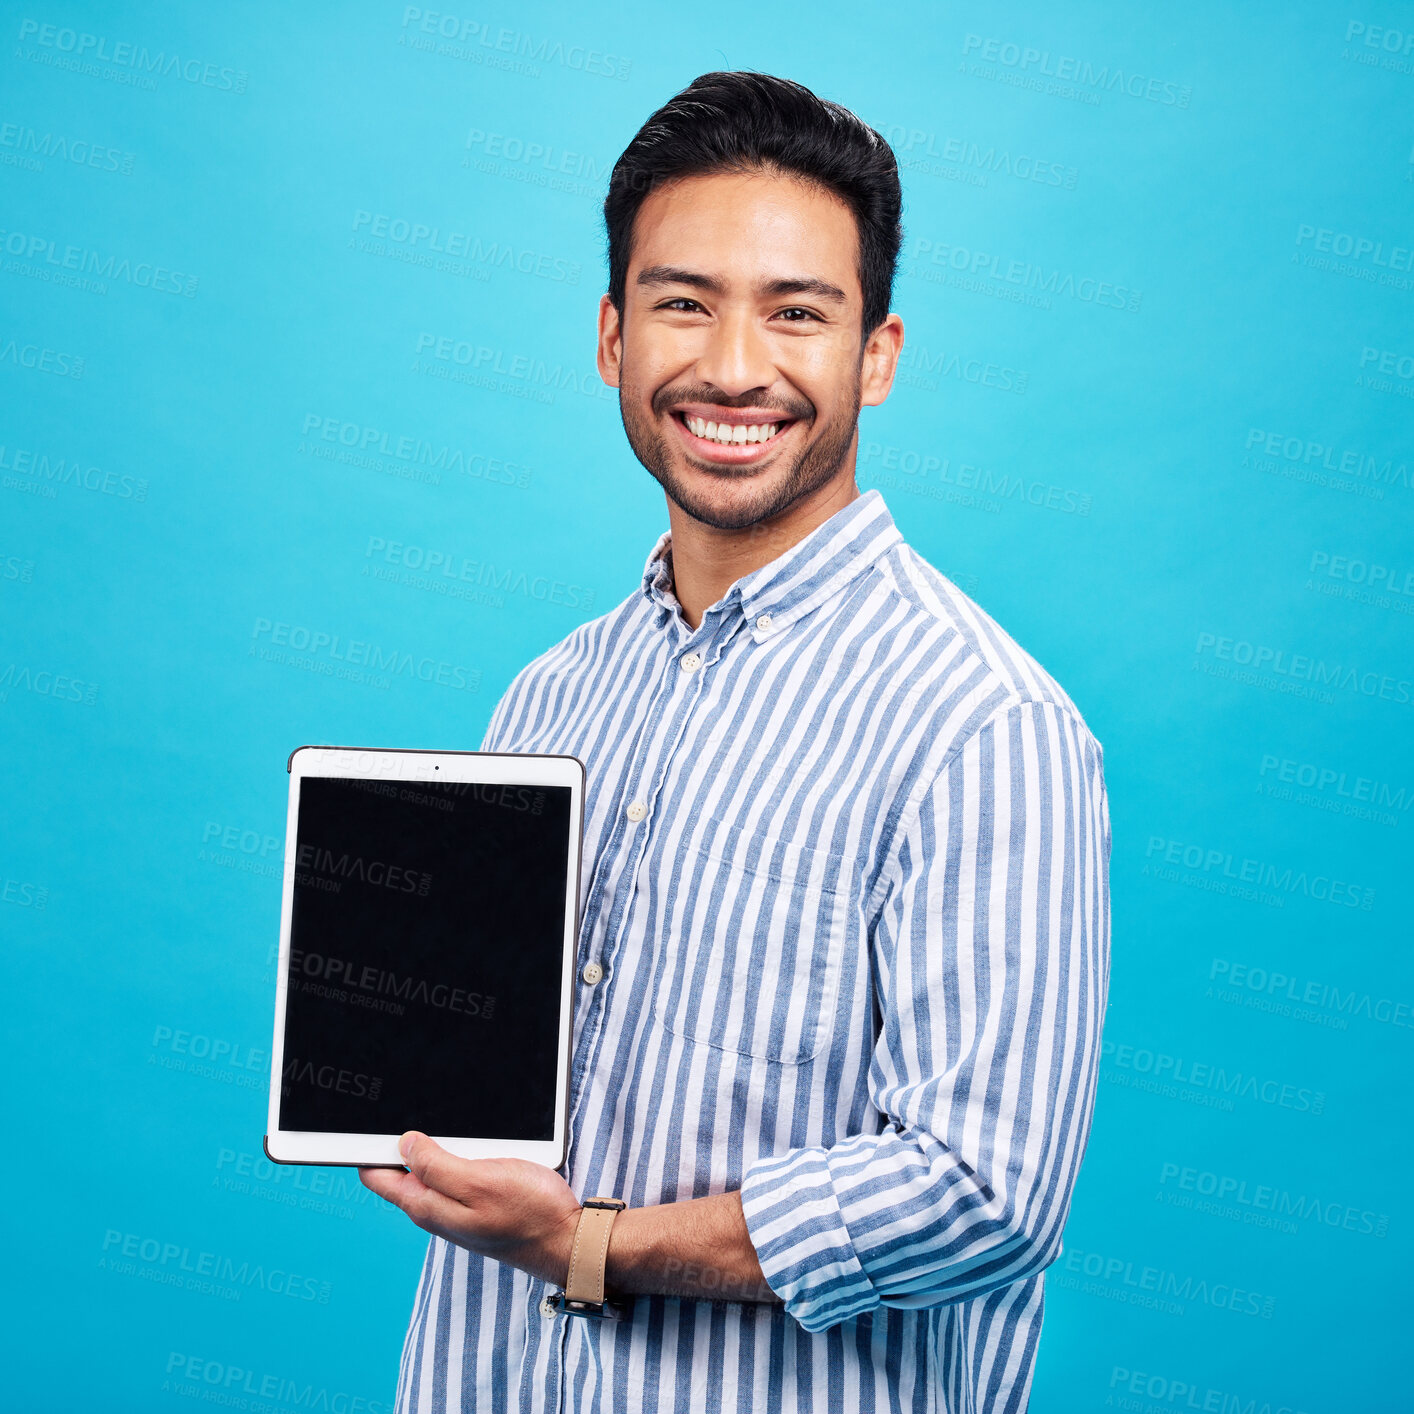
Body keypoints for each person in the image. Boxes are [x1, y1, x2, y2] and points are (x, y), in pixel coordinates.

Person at [361, 70, 1111, 1413]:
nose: (729, 366)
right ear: (609, 335)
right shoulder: (544, 699)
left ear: (875, 354)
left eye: (795, 313)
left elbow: (983, 1191)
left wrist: (594, 1243)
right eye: (681, 302)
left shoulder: (983, 725)